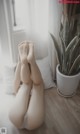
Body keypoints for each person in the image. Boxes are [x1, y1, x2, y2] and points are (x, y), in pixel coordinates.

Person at [9, 41, 44, 130]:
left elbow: (15, 85)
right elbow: (38, 81)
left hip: (14, 117)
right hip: (35, 119)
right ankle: (32, 62)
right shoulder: (37, 77)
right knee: (38, 84)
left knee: (25, 84)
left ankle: (25, 62)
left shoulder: (21, 75)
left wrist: (20, 62)